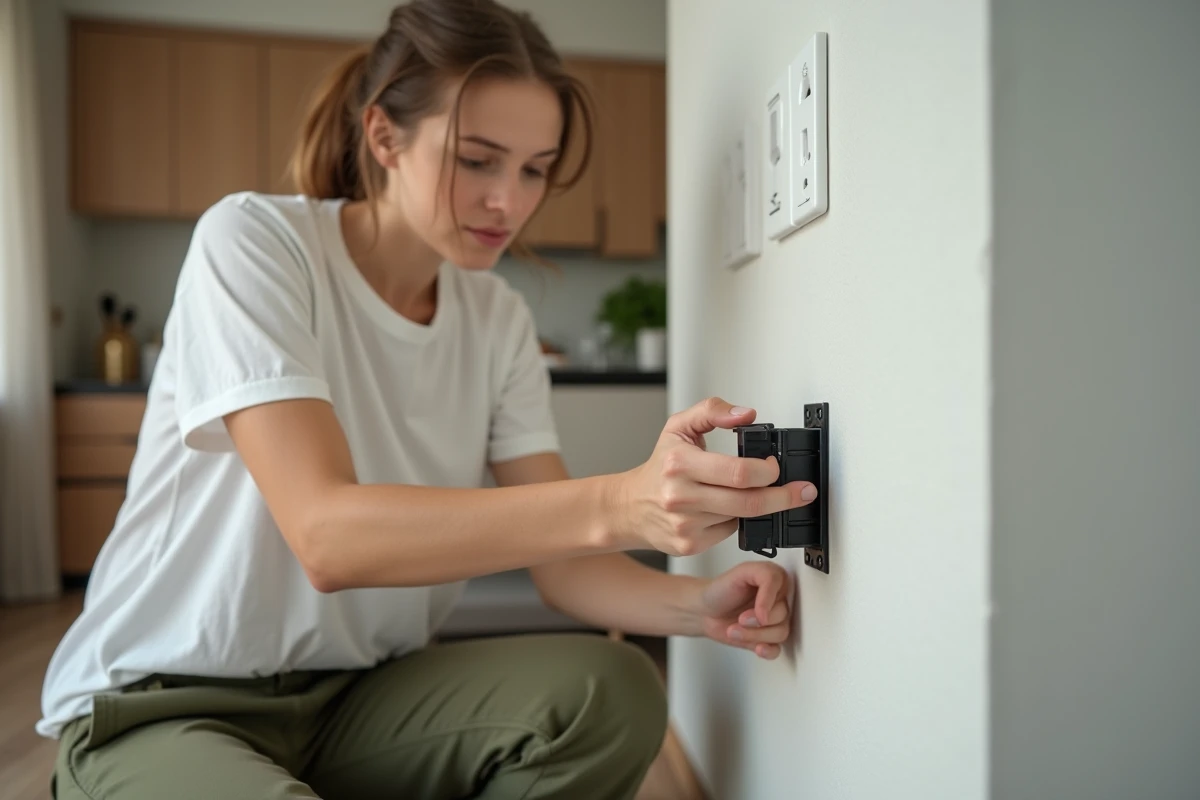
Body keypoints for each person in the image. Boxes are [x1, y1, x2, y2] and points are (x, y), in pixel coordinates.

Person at [38, 1, 817, 797]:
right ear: (383, 136)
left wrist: (700, 607)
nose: (507, 202)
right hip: (164, 701)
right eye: (477, 159)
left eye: (534, 168)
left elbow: (560, 566)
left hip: (359, 696)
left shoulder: (497, 318)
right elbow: (326, 537)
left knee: (609, 693)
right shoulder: (253, 242)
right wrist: (624, 501)